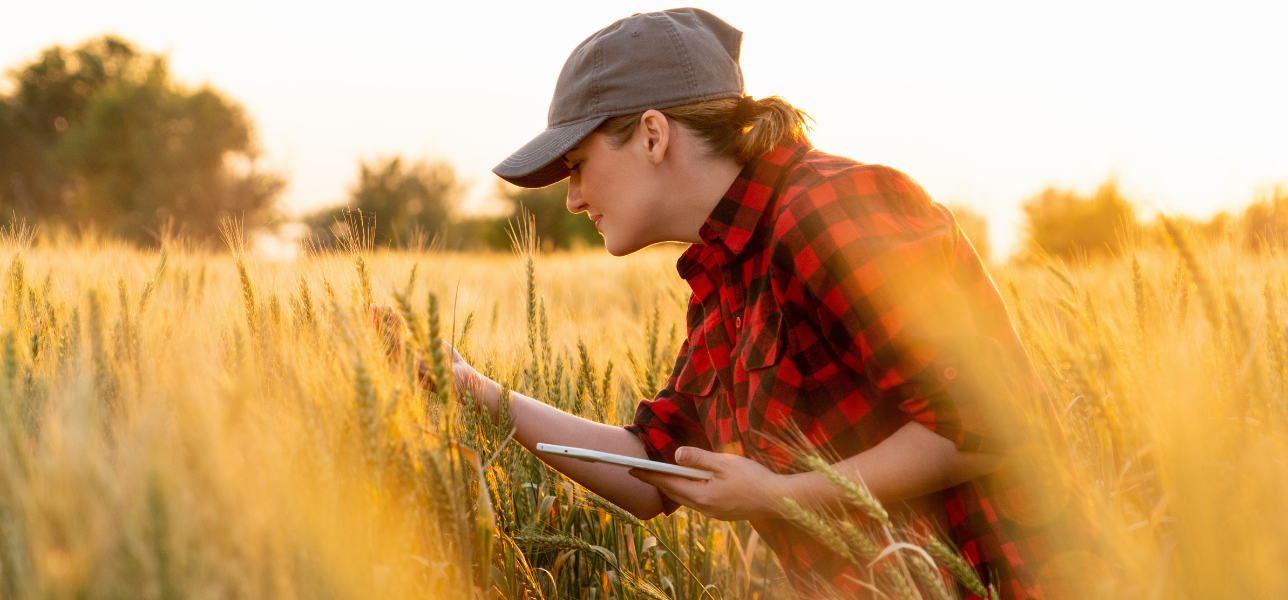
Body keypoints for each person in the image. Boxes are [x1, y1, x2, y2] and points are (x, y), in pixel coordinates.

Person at [378, 8, 1086, 599]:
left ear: (653, 135)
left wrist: (779, 496)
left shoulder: (830, 208)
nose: (573, 198)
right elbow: (656, 470)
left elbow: (985, 423)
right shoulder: (728, 272)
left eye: (578, 165)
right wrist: (469, 387)